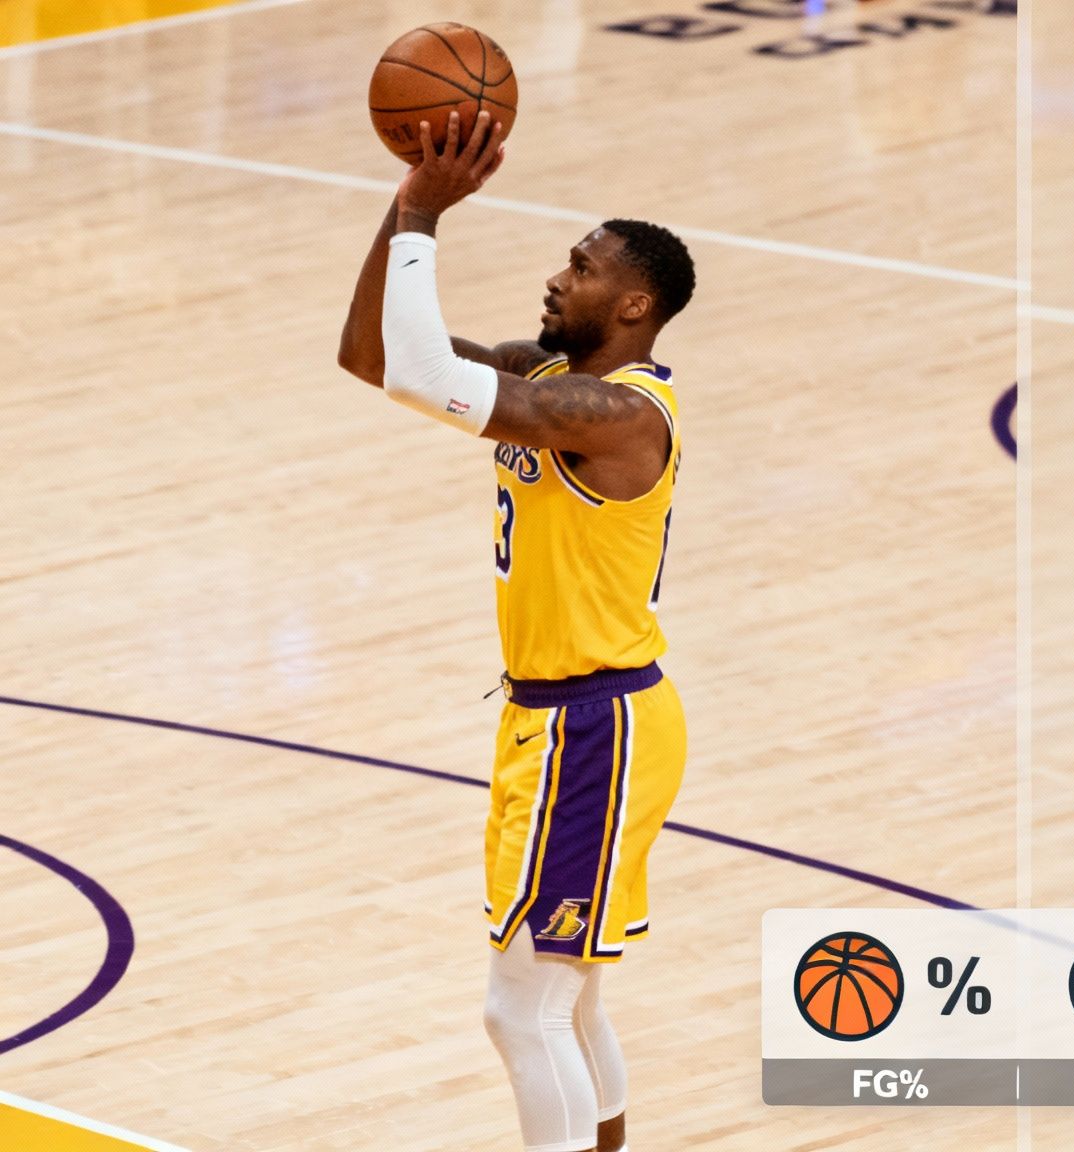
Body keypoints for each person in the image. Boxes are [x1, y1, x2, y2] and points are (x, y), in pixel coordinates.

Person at [337, 110, 698, 1152]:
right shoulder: (542, 383)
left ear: (632, 305)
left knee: (520, 1011)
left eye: (580, 269)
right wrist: (401, 207)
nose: (557, 278)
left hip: (594, 725)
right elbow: (374, 355)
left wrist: (423, 215)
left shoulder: (615, 415)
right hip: (574, 719)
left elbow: (412, 370)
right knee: (569, 1006)